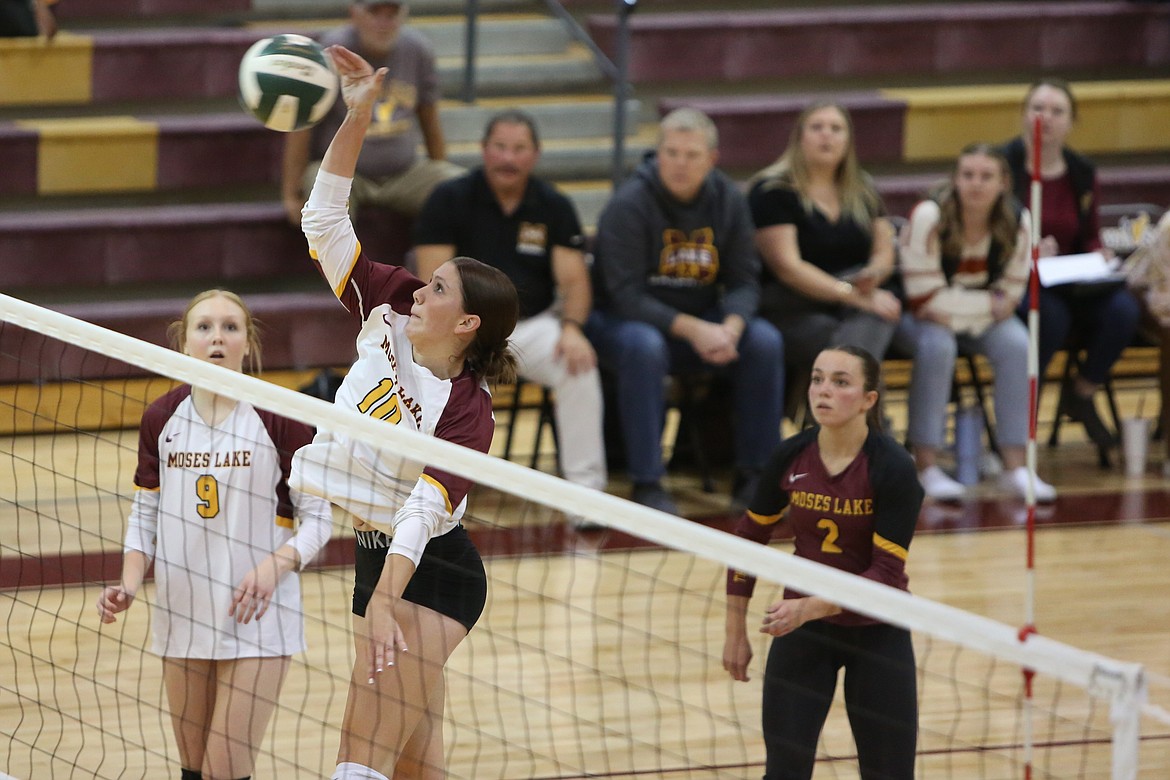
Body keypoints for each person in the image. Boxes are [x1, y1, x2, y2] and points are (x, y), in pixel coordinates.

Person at [289, 45, 519, 780]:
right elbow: (322, 220)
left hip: (434, 572)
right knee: (416, 762)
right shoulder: (387, 306)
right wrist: (356, 111)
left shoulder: (467, 414)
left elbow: (423, 516)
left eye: (440, 290)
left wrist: (388, 599)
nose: (421, 291)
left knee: (361, 751)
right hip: (372, 553)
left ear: (467, 325)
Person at [95, 289, 333, 780]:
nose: (217, 338)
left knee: (224, 769)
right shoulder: (161, 418)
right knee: (193, 771)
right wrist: (129, 583)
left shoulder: (280, 416)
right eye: (204, 327)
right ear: (184, 343)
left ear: (248, 342)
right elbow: (146, 515)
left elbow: (321, 521)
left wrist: (274, 568)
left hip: (258, 618)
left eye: (230, 327)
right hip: (183, 614)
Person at [723, 344, 921, 780]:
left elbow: (886, 577)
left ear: (869, 401)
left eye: (840, 381)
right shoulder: (790, 455)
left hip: (876, 630)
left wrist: (809, 606)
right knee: (785, 773)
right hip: (804, 631)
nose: (823, 391)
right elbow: (746, 541)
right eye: (817, 378)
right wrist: (735, 632)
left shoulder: (893, 468)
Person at [587, 107, 784, 514]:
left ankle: (753, 476)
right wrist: (696, 330)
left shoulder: (728, 199)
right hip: (623, 323)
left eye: (691, 155)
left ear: (711, 159)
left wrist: (730, 328)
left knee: (764, 341)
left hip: (702, 324)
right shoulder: (630, 204)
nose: (680, 163)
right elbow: (626, 296)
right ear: (658, 154)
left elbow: (746, 279)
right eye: (671, 153)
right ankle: (648, 482)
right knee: (644, 347)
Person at [414, 109, 608, 511]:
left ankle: (586, 498)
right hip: (460, 328)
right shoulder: (449, 199)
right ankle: (418, 487)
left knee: (579, 364)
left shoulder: (553, 205)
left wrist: (572, 328)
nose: (508, 158)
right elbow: (430, 280)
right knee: (419, 370)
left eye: (519, 149)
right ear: (484, 151)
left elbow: (574, 282)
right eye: (500, 147)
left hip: (531, 328)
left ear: (535, 155)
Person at [900, 144, 1057, 502]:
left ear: (1004, 183)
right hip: (920, 319)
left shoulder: (1019, 219)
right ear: (955, 179)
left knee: (1018, 344)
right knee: (938, 346)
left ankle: (1016, 467)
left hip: (975, 320)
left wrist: (960, 306)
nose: (976, 184)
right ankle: (926, 465)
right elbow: (924, 299)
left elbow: (1013, 295)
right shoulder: (930, 216)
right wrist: (987, 303)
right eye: (968, 175)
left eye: (986, 176)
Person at [1002, 77, 1141, 464]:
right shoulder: (1002, 166)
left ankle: (1081, 393)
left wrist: (1103, 257)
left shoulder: (1081, 172)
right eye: (1038, 108)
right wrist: (1024, 250)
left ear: (1071, 121)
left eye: (1057, 111)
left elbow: (1090, 235)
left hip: (1069, 276)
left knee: (1123, 310)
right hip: (1019, 279)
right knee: (1051, 318)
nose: (1045, 118)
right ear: (1023, 114)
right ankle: (1020, 421)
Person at [748, 102, 902, 401]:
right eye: (817, 128)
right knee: (848, 351)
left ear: (848, 140)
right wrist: (851, 293)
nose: (826, 136)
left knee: (881, 316)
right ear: (799, 137)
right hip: (792, 307)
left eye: (836, 129)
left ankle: (849, 431)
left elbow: (884, 251)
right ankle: (864, 429)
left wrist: (874, 274)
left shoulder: (863, 188)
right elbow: (787, 268)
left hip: (855, 302)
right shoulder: (772, 190)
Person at [281, 0, 461, 226]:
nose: (383, 23)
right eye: (375, 13)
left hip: (406, 174)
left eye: (392, 14)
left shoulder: (418, 49)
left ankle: (438, 261)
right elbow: (302, 124)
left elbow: (430, 119)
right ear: (354, 14)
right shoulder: (332, 50)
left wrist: (440, 174)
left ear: (404, 15)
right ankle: (335, 263)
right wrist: (290, 193)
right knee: (320, 184)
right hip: (346, 174)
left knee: (462, 190)